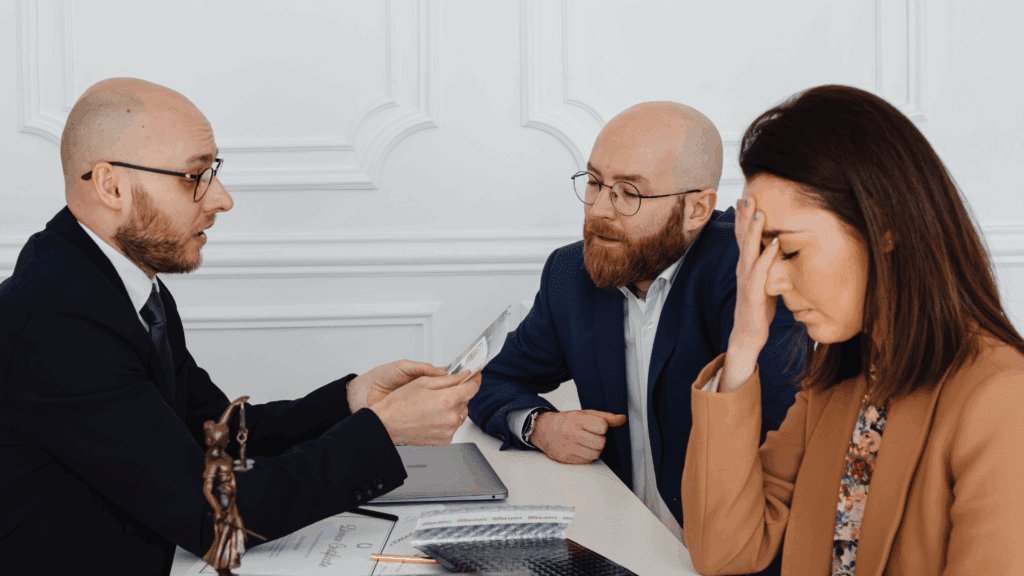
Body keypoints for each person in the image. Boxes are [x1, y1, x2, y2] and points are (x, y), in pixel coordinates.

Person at [0, 78, 480, 575]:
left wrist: (353, 401)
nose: (222, 199)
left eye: (214, 172)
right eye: (194, 176)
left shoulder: (114, 282)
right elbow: (214, 520)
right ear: (110, 185)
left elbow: (217, 433)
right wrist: (382, 433)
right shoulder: (58, 323)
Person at [681, 85, 1024, 575]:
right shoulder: (836, 388)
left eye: (790, 251)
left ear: (882, 223)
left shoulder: (1003, 401)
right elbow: (723, 550)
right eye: (759, 253)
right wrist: (742, 347)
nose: (770, 283)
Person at [468, 102, 806, 543]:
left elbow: (778, 442)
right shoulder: (571, 272)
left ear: (698, 210)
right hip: (623, 537)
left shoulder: (749, 273)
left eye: (629, 192)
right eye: (594, 183)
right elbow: (488, 381)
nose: (599, 210)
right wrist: (540, 427)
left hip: (733, 549)